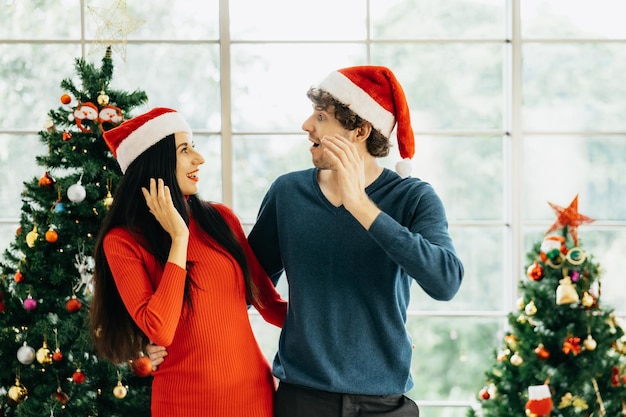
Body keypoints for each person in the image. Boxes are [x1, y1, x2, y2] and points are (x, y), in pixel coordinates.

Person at [149, 66, 464, 416]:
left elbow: (445, 282)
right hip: (303, 400)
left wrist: (360, 205)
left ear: (360, 131)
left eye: (321, 117)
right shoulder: (289, 193)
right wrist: (165, 338)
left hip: (385, 403)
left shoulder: (413, 198)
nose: (306, 125)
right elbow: (240, 289)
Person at [89, 107, 287, 417]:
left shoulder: (222, 220)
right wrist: (179, 239)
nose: (199, 158)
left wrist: (346, 326)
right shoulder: (122, 241)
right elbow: (160, 330)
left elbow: (269, 304)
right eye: (184, 149)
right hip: (182, 403)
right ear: (156, 162)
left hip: (254, 396)